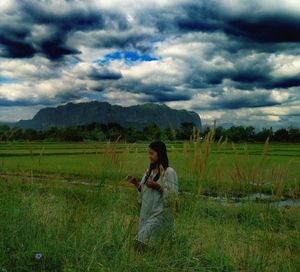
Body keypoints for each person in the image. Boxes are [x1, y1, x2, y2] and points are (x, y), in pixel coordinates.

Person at [126, 140, 179, 252]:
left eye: (152, 153)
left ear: (159, 153)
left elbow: (172, 196)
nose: (149, 156)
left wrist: (158, 187)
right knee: (151, 244)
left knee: (140, 242)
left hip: (160, 214)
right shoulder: (148, 172)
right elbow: (144, 192)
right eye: (148, 153)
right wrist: (136, 183)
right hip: (147, 212)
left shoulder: (169, 172)